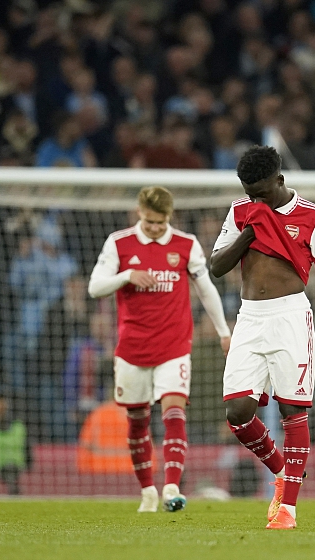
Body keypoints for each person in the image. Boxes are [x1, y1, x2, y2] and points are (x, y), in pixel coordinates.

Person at [211, 145, 315, 529]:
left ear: (279, 181)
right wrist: (250, 232)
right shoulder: (240, 211)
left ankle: (288, 510)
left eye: (261, 192)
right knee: (237, 413)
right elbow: (216, 266)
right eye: (249, 192)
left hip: (290, 318)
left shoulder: (314, 217)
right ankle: (283, 471)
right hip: (249, 318)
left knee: (292, 411)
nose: (255, 199)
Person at [88, 186, 231, 513]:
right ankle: (148, 492)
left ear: (170, 216)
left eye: (161, 222)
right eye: (150, 221)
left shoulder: (186, 244)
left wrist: (224, 331)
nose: (155, 228)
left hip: (174, 345)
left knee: (174, 413)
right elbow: (95, 287)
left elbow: (206, 289)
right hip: (132, 349)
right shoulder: (119, 243)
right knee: (138, 422)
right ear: (140, 213)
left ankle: (171, 487)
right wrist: (127, 276)